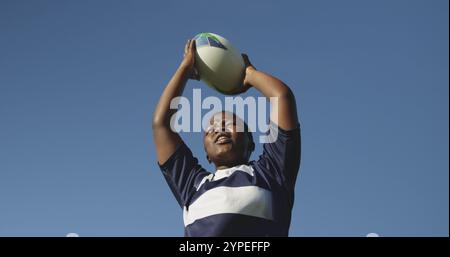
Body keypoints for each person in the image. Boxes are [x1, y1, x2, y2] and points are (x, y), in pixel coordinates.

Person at [152, 39, 301, 236]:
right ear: (206, 154)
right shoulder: (191, 184)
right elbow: (161, 124)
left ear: (250, 142)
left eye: (229, 124)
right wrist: (184, 71)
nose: (219, 129)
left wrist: (249, 74)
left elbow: (282, 97)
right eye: (210, 128)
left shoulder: (272, 171)